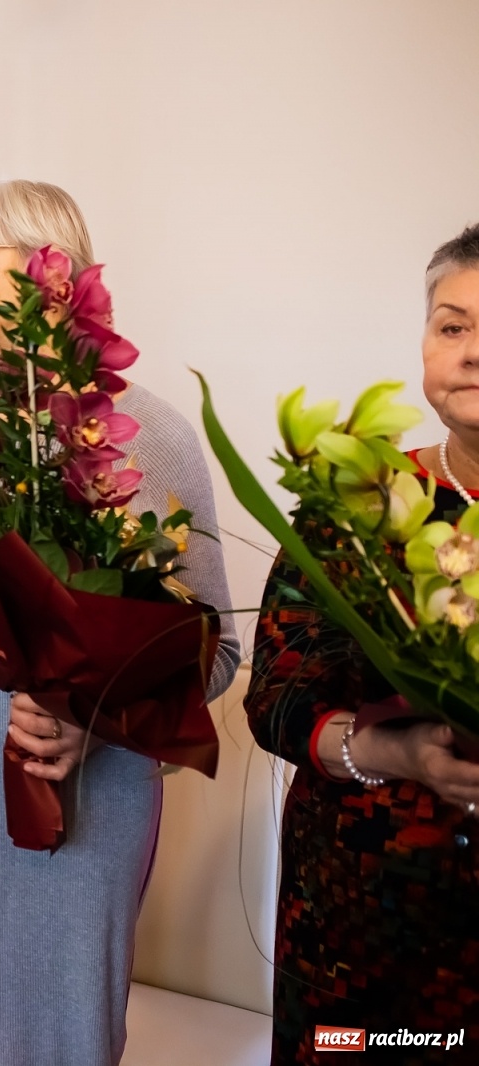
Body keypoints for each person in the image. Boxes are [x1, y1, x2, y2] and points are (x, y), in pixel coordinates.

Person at [0, 179, 241, 1065]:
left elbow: (214, 647)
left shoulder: (150, 437)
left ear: (46, 269)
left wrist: (90, 719)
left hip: (90, 808)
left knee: (65, 1039)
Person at [245, 223, 479, 1066]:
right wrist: (394, 750)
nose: (471, 353)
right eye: (452, 326)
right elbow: (272, 698)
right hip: (354, 945)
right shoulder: (355, 502)